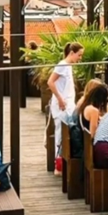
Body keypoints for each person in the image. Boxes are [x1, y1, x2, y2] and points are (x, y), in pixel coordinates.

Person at [47, 42, 84, 176]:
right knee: (60, 133)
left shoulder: (68, 66)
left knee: (66, 132)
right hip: (62, 105)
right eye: (79, 55)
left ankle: (62, 164)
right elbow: (50, 82)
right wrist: (60, 99)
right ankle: (58, 166)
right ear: (72, 53)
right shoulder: (62, 65)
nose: (80, 58)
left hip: (68, 104)